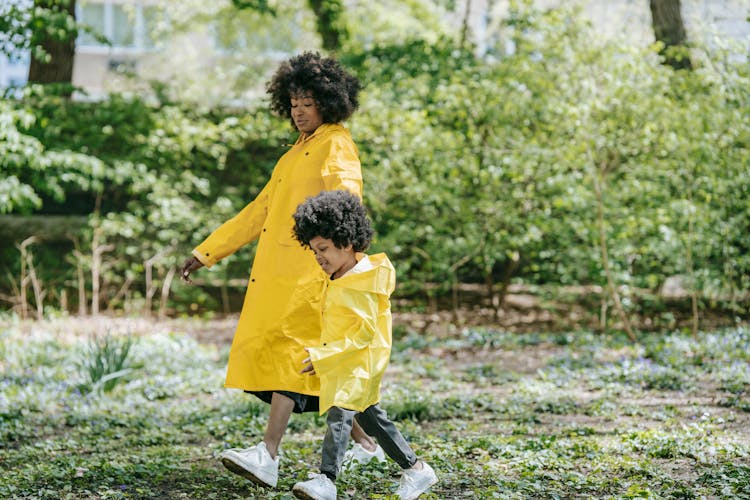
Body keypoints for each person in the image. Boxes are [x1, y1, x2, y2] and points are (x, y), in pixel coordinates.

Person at [179, 52, 384, 489]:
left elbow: (348, 201)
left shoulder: (335, 143)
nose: (298, 110)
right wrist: (207, 252)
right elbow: (259, 211)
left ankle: (267, 455)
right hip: (278, 276)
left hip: (314, 274)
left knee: (295, 361)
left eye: (307, 102)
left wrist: (344, 260)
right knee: (319, 368)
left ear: (329, 102)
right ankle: (369, 446)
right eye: (292, 102)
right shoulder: (295, 154)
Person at [289, 190, 438, 500]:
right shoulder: (341, 274)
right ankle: (416, 469)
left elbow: (365, 334)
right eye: (314, 251)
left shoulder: (364, 281)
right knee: (373, 419)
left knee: (339, 415)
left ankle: (327, 480)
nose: (319, 258)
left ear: (346, 242)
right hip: (348, 360)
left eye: (324, 249)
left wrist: (325, 356)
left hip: (359, 361)